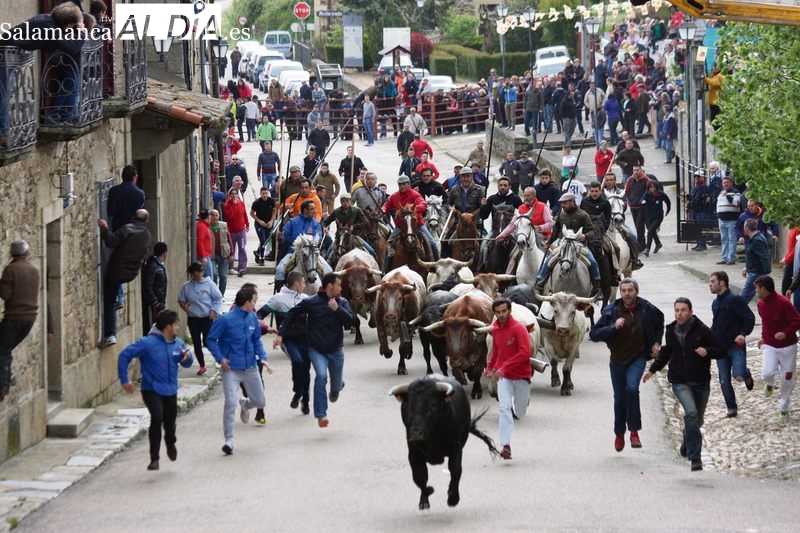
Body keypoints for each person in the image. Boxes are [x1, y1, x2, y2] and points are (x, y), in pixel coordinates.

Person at [642, 298, 726, 472]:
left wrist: (707, 351)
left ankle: (687, 439)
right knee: (692, 413)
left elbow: (721, 349)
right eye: (677, 310)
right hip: (679, 381)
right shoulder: (671, 330)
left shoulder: (702, 330)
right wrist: (653, 369)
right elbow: (667, 352)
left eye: (683, 310)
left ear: (691, 312)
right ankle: (695, 458)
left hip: (701, 381)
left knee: (697, 420)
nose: (679, 314)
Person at [590, 278, 664, 452]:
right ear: (621, 292)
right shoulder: (612, 310)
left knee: (631, 389)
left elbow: (660, 321)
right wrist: (613, 328)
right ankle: (619, 434)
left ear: (636, 291)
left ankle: (634, 432)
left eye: (630, 290)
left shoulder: (646, 308)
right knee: (620, 398)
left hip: (637, 357)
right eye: (623, 290)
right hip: (617, 359)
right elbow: (594, 334)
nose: (627, 294)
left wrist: (656, 343)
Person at [273, 273, 353, 427]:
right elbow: (291, 314)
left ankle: (337, 385)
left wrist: (337, 310)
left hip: (336, 351)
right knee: (321, 376)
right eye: (339, 285)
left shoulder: (342, 302)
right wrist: (281, 334)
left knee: (335, 389)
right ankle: (321, 415)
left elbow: (350, 322)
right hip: (317, 350)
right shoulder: (311, 302)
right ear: (330, 286)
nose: (341, 289)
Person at [117, 310, 194, 471]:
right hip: (151, 389)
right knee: (157, 418)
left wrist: (187, 359)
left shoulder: (178, 344)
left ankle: (170, 441)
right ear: (168, 327)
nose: (178, 328)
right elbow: (124, 355)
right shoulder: (147, 343)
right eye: (176, 325)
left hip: (171, 389)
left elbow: (187, 362)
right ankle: (154, 458)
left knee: (170, 424)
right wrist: (125, 380)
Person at [208, 287, 272, 454]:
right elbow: (210, 339)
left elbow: (256, 340)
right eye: (254, 302)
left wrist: (263, 358)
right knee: (230, 403)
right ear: (246, 302)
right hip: (231, 369)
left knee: (261, 402)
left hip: (250, 367)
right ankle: (229, 441)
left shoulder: (252, 318)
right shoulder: (226, 320)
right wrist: (220, 358)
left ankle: (245, 404)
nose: (255, 305)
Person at [485, 297, 531, 461]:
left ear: (509, 310)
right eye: (498, 312)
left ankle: (516, 404)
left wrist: (504, 367)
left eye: (504, 311)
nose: (501, 315)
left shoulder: (519, 328)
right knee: (503, 409)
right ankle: (506, 446)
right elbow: (496, 350)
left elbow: (525, 353)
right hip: (504, 378)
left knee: (519, 411)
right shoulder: (495, 329)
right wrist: (490, 367)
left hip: (521, 376)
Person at [258, 271, 311, 414]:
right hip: (287, 339)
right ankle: (297, 390)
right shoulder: (278, 299)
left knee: (306, 369)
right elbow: (261, 313)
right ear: (296, 284)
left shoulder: (306, 299)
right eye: (303, 283)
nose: (305, 285)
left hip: (304, 339)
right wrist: (263, 326)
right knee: (298, 361)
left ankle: (304, 400)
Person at [99, 209, 151, 347]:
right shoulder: (147, 235)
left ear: (134, 217)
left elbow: (110, 241)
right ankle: (119, 299)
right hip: (131, 273)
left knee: (108, 301)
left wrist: (104, 228)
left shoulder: (127, 229)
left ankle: (110, 334)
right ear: (146, 221)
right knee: (116, 288)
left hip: (115, 270)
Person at [534, 193, 602, 296]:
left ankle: (597, 288)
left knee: (592, 261)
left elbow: (591, 231)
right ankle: (540, 283)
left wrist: (585, 236)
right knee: (549, 260)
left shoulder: (583, 214)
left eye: (565, 203)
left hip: (579, 245)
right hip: (563, 244)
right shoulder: (561, 215)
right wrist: (550, 241)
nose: (563, 205)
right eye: (562, 203)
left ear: (572, 202)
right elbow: (556, 231)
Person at [709, 271, 756, 418]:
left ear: (722, 283)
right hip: (721, 348)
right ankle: (731, 408)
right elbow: (716, 325)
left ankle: (746, 374)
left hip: (736, 346)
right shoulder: (715, 303)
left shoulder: (735, 299)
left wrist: (743, 333)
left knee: (738, 375)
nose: (710, 285)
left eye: (712, 282)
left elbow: (749, 317)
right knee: (724, 381)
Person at [0, 241, 40, 400]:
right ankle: (7, 379)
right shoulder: (34, 270)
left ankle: (4, 385)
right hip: (29, 319)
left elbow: (5, 295)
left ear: (12, 254)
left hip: (13, 318)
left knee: (2, 350)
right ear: (27, 253)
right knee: (5, 349)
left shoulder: (10, 270)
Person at [755, 275, 800, 416]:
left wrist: (785, 333)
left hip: (788, 346)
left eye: (757, 288)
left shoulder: (784, 302)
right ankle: (770, 383)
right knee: (767, 373)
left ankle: (784, 408)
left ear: (764, 288)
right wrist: (763, 338)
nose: (756, 291)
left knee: (787, 378)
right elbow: (765, 324)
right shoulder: (760, 304)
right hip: (770, 345)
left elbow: (797, 320)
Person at [381, 176, 439, 271]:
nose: (402, 186)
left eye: (404, 184)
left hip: (417, 225)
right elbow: (387, 204)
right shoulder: (394, 196)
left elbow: (423, 204)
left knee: (432, 244)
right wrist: (383, 209)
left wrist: (412, 209)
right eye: (400, 184)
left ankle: (437, 267)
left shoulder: (415, 195)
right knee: (388, 246)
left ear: (408, 184)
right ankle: (385, 271)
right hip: (400, 226)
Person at [178, 261, 223, 376]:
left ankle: (220, 359)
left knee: (208, 342)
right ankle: (202, 366)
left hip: (207, 318)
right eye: (198, 271)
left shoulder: (209, 284)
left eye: (202, 270)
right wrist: (184, 307)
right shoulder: (187, 286)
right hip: (193, 319)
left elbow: (218, 298)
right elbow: (181, 299)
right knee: (197, 343)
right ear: (193, 273)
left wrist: (214, 311)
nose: (201, 273)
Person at [741, 218, 772, 304]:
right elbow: (753, 256)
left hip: (756, 272)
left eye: (744, 226)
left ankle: (736, 313)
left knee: (744, 295)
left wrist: (767, 273)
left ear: (747, 228)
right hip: (754, 271)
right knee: (752, 294)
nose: (743, 229)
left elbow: (764, 257)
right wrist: (747, 268)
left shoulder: (756, 240)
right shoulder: (755, 238)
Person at [141, 242, 168, 335]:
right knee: (151, 329)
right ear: (164, 253)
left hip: (159, 304)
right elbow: (147, 285)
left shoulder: (158, 265)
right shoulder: (152, 266)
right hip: (152, 305)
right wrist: (154, 302)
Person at [107, 165, 145, 231]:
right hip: (134, 230)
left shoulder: (114, 191)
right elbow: (141, 213)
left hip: (118, 229)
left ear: (122, 176)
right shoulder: (140, 193)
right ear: (134, 177)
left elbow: (111, 211)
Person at [716, 176, 742, 266]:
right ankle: (724, 258)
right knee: (724, 239)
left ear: (731, 183)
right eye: (724, 183)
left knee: (732, 239)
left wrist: (727, 195)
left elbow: (736, 203)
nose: (725, 184)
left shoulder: (736, 192)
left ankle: (731, 258)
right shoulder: (720, 193)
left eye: (727, 182)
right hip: (722, 220)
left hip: (732, 219)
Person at [223, 188, 249, 277]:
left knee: (242, 248)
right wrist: (233, 205)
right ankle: (230, 267)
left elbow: (244, 213)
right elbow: (230, 216)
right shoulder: (227, 205)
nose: (234, 195)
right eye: (232, 194)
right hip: (231, 231)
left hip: (241, 230)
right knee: (231, 250)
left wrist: (247, 223)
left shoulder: (241, 203)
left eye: (236, 193)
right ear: (230, 195)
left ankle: (242, 268)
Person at [640, 181, 671, 256]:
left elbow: (668, 201)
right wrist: (643, 201)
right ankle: (658, 244)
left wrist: (668, 210)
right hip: (649, 216)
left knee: (650, 231)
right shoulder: (647, 194)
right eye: (651, 187)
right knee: (652, 231)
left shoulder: (661, 194)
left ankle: (647, 249)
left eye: (654, 187)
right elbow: (641, 199)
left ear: (656, 187)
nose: (652, 189)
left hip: (658, 216)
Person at [209, 209, 233, 294]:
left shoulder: (223, 225)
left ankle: (220, 295)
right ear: (209, 217)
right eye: (212, 215)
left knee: (223, 276)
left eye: (216, 215)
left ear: (219, 216)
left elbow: (229, 239)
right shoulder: (207, 227)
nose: (215, 217)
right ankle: (215, 294)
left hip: (223, 255)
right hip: (212, 256)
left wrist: (231, 254)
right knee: (214, 275)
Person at [251, 187, 276, 266]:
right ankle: (262, 258)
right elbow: (252, 213)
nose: (265, 195)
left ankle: (257, 252)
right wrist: (259, 221)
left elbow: (275, 210)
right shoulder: (256, 202)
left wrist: (272, 221)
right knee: (262, 241)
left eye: (266, 193)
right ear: (260, 193)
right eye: (263, 194)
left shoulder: (271, 201)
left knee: (266, 240)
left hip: (268, 223)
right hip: (259, 224)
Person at [196, 209, 214, 280]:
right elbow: (199, 241)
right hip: (203, 256)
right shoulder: (202, 227)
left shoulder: (201, 225)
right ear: (208, 217)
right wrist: (203, 256)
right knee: (209, 279)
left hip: (203, 256)